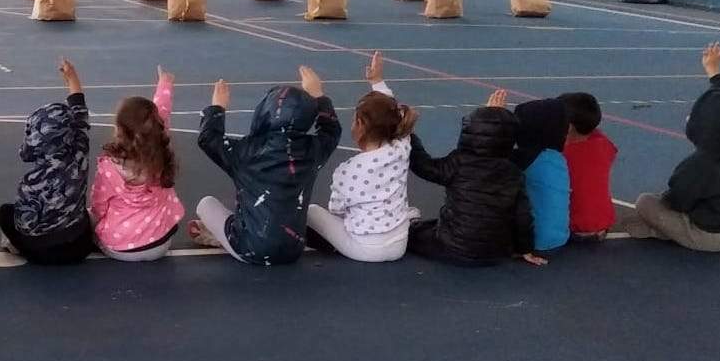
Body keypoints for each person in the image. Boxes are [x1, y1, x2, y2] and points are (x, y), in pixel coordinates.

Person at [192, 67, 341, 266]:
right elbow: (331, 130)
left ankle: (224, 239)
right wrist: (318, 95)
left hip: (250, 248)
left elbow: (208, 139)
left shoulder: (244, 152)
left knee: (206, 204)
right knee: (310, 210)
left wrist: (217, 108)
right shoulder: (312, 150)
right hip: (292, 250)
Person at [620, 43, 720, 253]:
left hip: (709, 236)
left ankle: (662, 232)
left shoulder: (700, 165)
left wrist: (664, 201)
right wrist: (714, 72)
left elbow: (676, 201)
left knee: (646, 202)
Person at [406, 90, 542, 267]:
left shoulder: (459, 162)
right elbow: (523, 216)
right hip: (494, 251)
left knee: (412, 232)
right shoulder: (512, 172)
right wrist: (526, 249)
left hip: (451, 247)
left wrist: (409, 136)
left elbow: (424, 166)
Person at [306, 51, 418, 262]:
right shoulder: (402, 147)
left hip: (365, 250)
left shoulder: (349, 168)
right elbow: (391, 112)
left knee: (312, 211)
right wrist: (377, 82)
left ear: (359, 125)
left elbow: (336, 209)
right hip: (399, 244)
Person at [0, 58, 94, 265]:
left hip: (46, 253)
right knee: (84, 214)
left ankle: (13, 247)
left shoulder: (31, 183)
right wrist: (72, 79)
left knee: (5, 213)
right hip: (80, 245)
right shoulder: (79, 156)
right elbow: (80, 115)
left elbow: (26, 226)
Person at [90, 67, 182, 262]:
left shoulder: (110, 167)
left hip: (121, 248)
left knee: (86, 218)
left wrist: (94, 224)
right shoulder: (160, 151)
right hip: (161, 242)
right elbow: (162, 113)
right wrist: (165, 84)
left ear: (120, 131)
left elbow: (99, 205)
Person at [510, 95, 572, 254]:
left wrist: (490, 117)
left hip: (531, 241)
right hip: (559, 237)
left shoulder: (521, 159)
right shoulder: (557, 158)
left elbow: (481, 160)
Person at [560, 92, 619, 240]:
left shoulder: (561, 155)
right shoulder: (603, 145)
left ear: (568, 127)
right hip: (602, 225)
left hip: (573, 228)